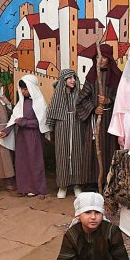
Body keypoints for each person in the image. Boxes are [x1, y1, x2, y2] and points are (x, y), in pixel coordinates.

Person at [76, 44, 121, 189]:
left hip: (111, 120)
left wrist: (109, 100)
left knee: (110, 149)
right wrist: (94, 108)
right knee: (93, 151)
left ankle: (109, 182)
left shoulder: (117, 77)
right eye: (97, 57)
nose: (99, 60)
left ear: (109, 59)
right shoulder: (91, 76)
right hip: (95, 121)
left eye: (102, 57)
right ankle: (92, 183)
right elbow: (81, 99)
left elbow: (123, 99)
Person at [0, 75, 50, 197]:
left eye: (25, 88)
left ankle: (37, 188)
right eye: (21, 89)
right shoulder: (21, 103)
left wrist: (24, 122)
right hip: (22, 137)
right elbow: (14, 118)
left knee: (35, 161)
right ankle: (25, 187)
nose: (22, 91)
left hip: (34, 136)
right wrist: (7, 130)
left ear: (31, 88)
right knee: (22, 162)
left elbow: (40, 123)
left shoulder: (40, 103)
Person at [46, 69, 84, 199]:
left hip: (77, 126)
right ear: (63, 80)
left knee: (77, 155)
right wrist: (50, 128)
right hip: (61, 127)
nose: (73, 80)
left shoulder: (78, 94)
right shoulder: (57, 95)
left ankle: (77, 185)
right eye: (69, 78)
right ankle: (62, 186)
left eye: (74, 77)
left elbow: (84, 110)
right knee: (62, 155)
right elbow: (52, 112)